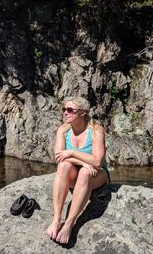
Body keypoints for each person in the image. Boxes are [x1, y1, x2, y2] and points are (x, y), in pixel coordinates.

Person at [45, 96, 109, 244]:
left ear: (83, 113)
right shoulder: (63, 129)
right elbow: (59, 158)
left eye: (70, 110)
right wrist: (82, 161)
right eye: (64, 110)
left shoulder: (96, 131)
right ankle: (56, 220)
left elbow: (97, 162)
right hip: (75, 173)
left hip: (96, 175)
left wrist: (72, 153)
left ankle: (69, 224)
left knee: (85, 172)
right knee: (63, 166)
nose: (65, 113)